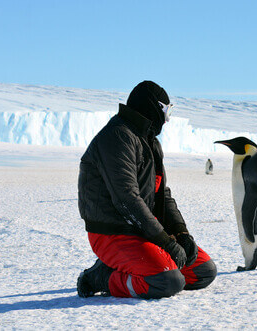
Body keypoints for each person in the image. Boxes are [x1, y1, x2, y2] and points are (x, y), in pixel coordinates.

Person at [77, 81, 217, 299]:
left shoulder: (149, 142)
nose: (167, 118)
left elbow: (163, 194)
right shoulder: (117, 137)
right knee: (167, 282)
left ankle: (138, 266)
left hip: (144, 229)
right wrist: (167, 243)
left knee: (203, 272)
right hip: (113, 232)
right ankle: (102, 277)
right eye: (166, 110)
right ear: (153, 107)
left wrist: (181, 233)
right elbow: (127, 200)